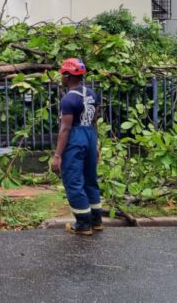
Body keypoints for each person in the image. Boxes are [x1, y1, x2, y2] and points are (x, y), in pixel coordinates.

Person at [50, 58, 103, 235]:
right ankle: (96, 221)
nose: (61, 78)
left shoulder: (68, 99)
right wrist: (95, 144)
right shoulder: (92, 94)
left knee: (73, 181)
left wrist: (57, 156)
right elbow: (94, 120)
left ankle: (83, 224)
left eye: (62, 75)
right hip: (89, 135)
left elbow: (65, 129)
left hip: (75, 138)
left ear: (67, 76)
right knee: (90, 179)